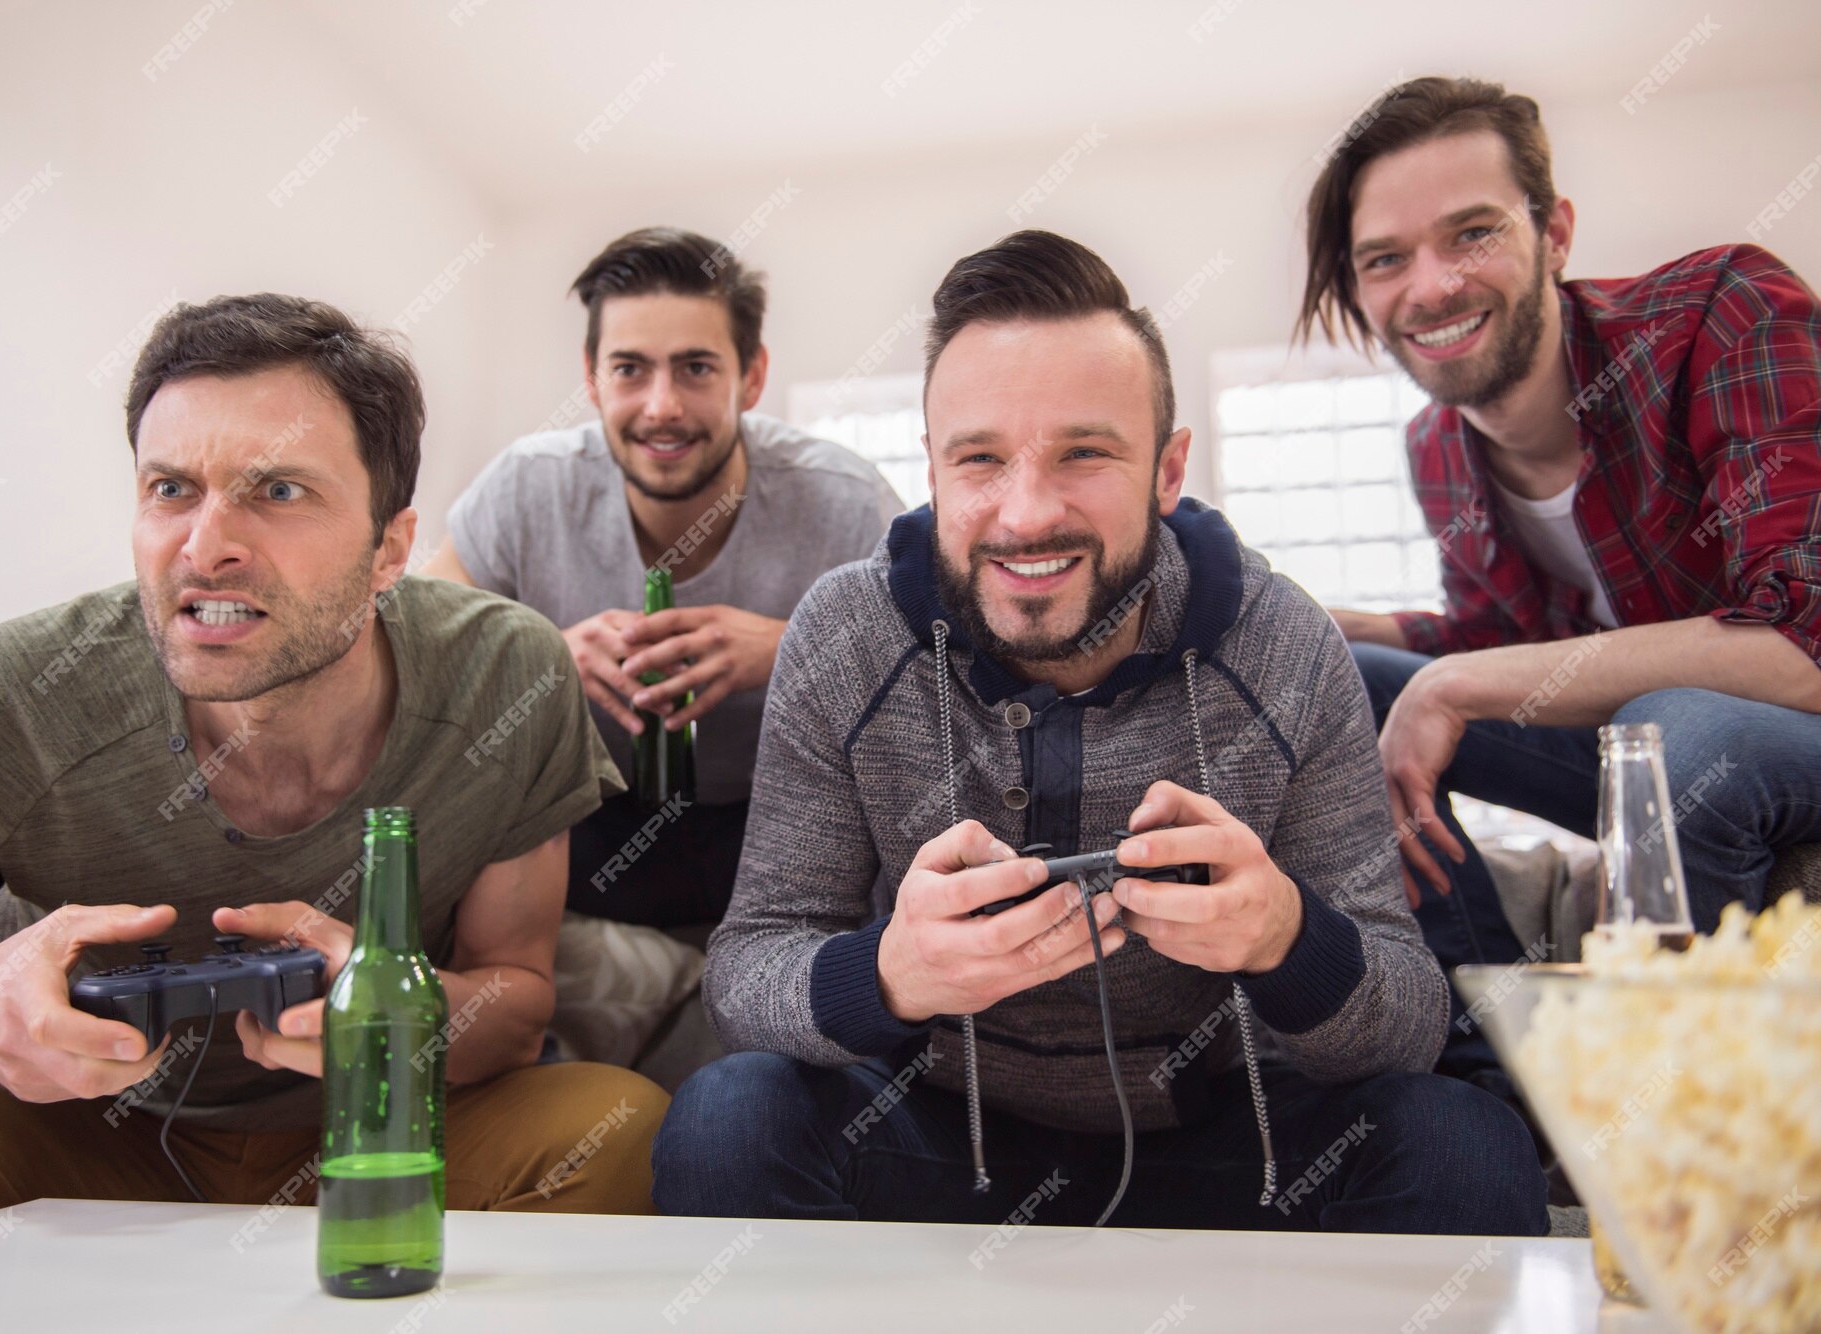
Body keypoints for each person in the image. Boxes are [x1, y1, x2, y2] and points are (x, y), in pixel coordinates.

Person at [650, 231, 1545, 1235]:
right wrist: (889, 974)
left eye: (1082, 453)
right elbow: (746, 971)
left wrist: (1285, 936)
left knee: (1464, 1143)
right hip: (935, 1141)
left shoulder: (1283, 641)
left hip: (1229, 1147)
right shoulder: (843, 635)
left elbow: (1407, 1016)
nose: (1025, 515)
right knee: (724, 1120)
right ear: (933, 471)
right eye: (978, 458)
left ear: (1166, 471)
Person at [0, 294, 666, 1252]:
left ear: (389, 546)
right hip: (85, 1139)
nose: (205, 547)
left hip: (377, 1131)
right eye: (171, 489)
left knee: (621, 1131)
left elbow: (516, 1006)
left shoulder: (506, 676)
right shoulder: (8, 699)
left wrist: (393, 1007)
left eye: (277, 492)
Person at [1297, 77, 1821, 1041]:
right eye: (1386, 258)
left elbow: (1803, 636)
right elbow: (1511, 644)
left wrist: (1452, 685)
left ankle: (1670, 1111)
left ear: (1557, 234)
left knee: (1667, 733)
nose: (1432, 285)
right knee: (1339, 675)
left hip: (1758, 741)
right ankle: (1492, 1055)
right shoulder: (1437, 450)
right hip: (1641, 759)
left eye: (1474, 232)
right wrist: (1347, 631)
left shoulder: (1721, 312)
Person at [425, 227, 901, 929]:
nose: (661, 407)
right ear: (591, 377)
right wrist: (542, 653)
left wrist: (789, 646)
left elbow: (942, 669)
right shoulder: (526, 487)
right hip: (582, 827)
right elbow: (419, 646)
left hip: (783, 829)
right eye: (630, 370)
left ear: (754, 375)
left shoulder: (848, 501)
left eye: (696, 369)